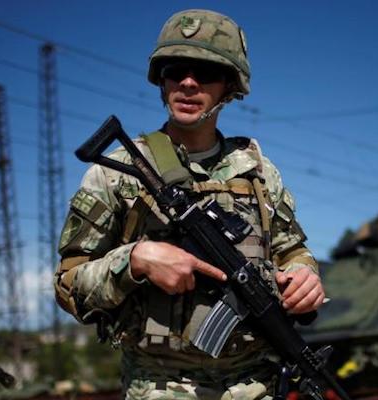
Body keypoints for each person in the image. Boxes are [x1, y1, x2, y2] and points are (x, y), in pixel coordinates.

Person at [54, 9, 324, 399]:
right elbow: (68, 287)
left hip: (257, 386)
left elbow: (291, 250)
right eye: (175, 70)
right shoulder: (120, 172)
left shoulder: (259, 172)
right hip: (160, 386)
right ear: (160, 81)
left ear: (230, 86)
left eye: (206, 73)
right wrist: (135, 260)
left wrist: (305, 277)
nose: (188, 83)